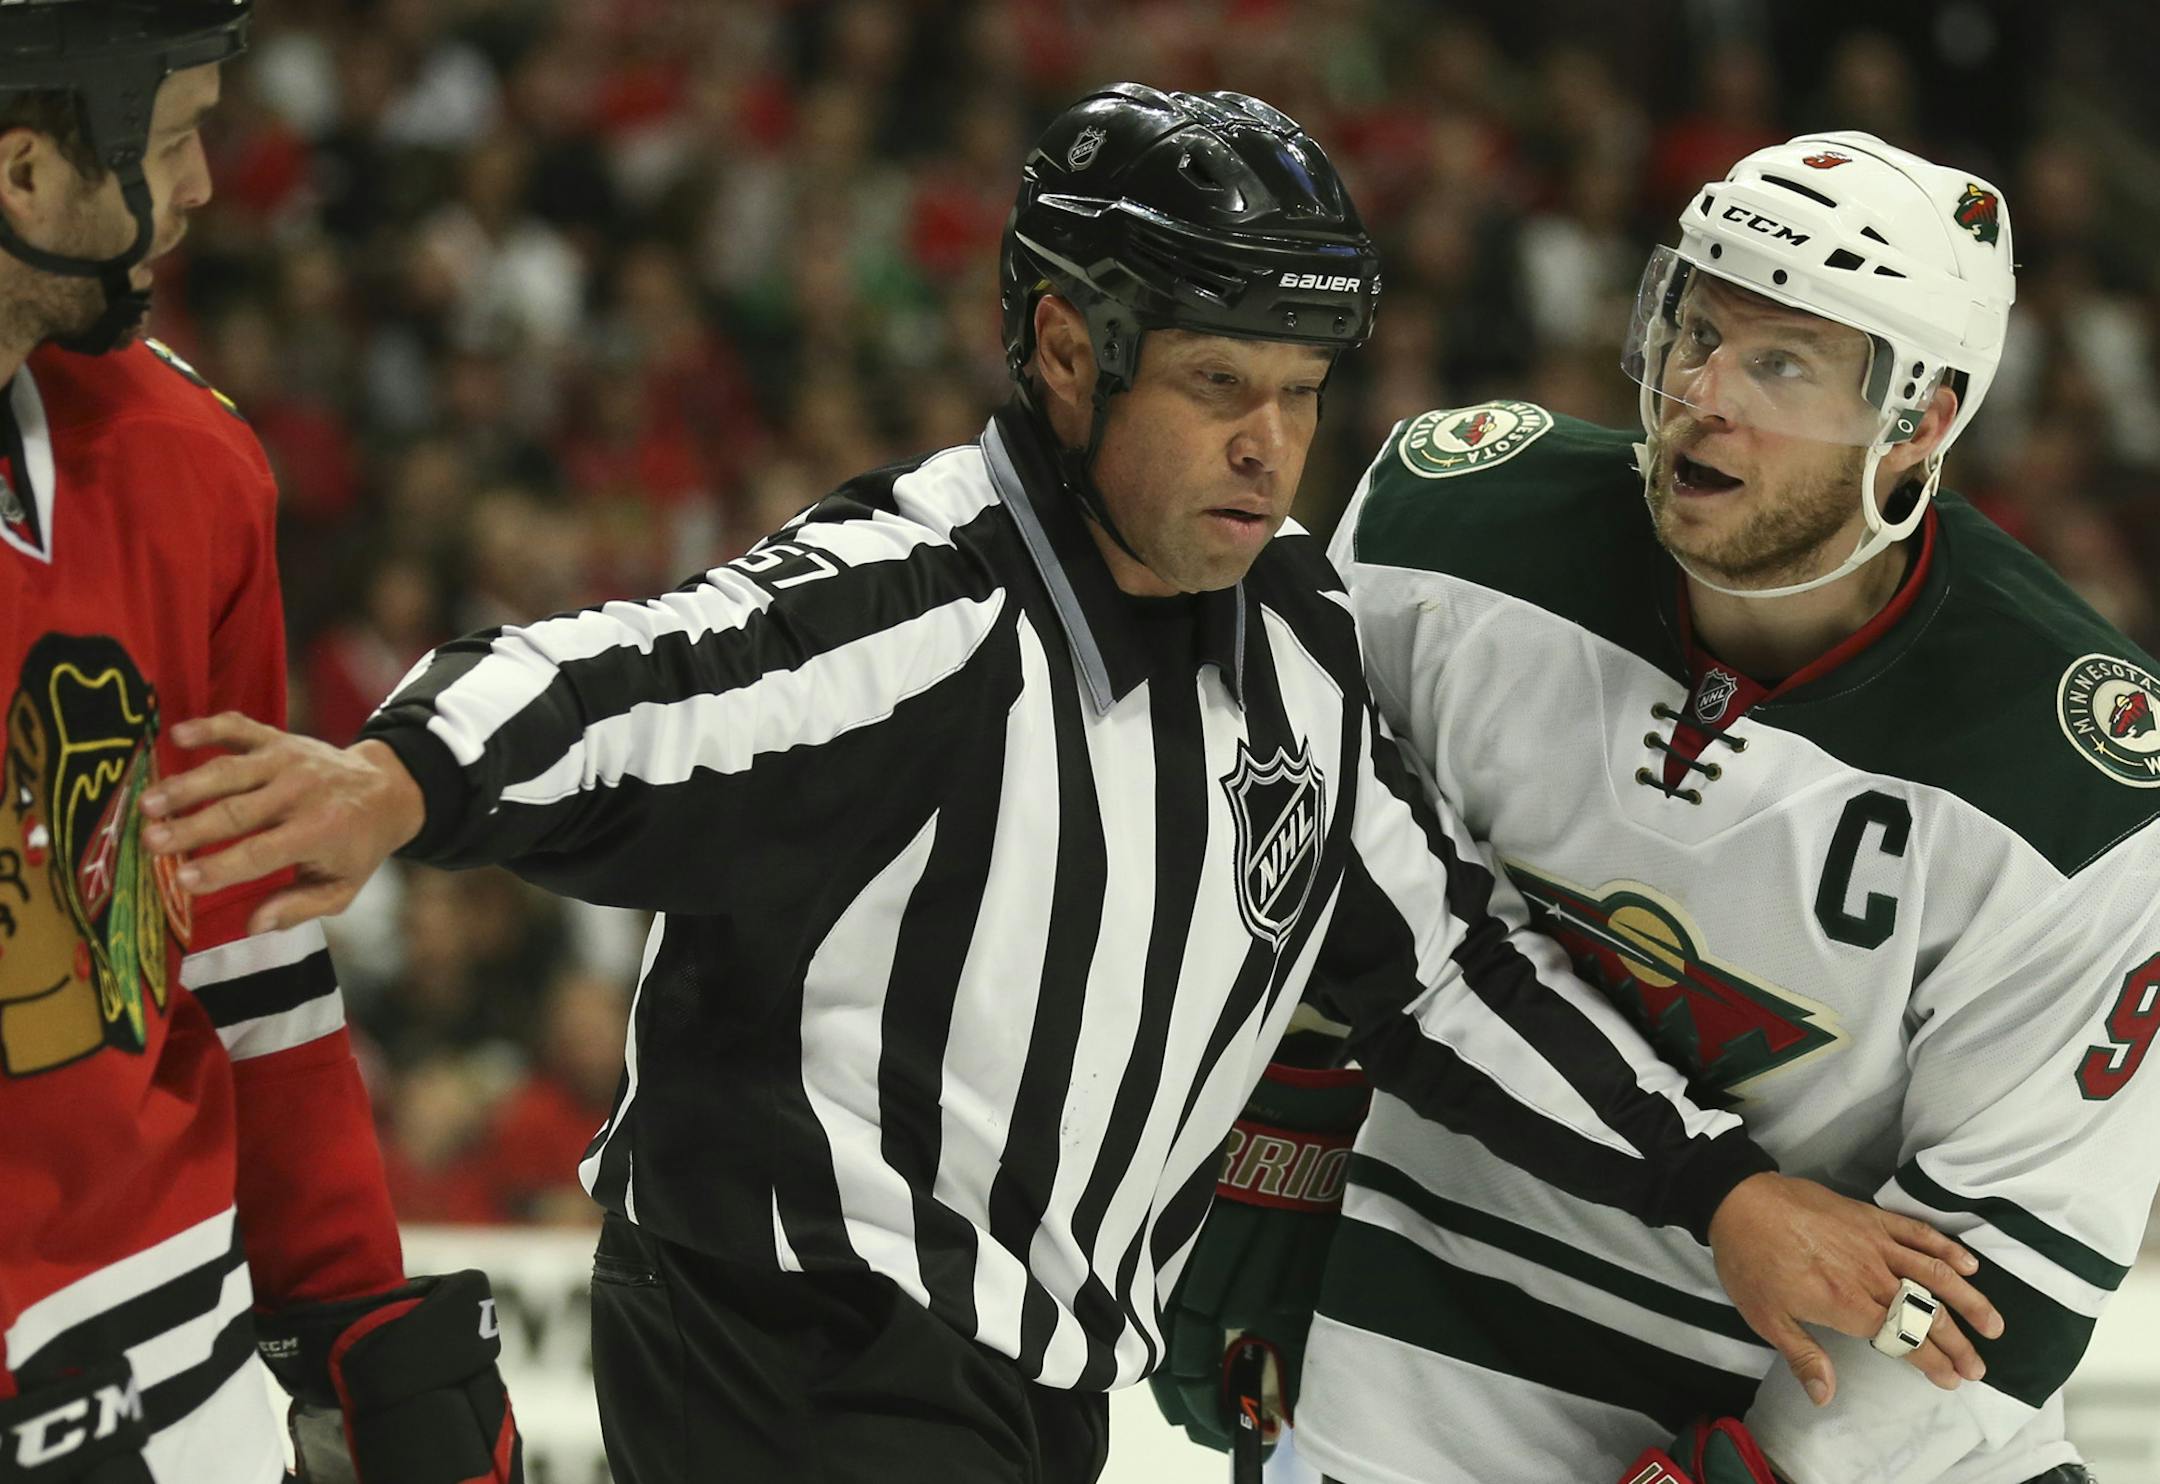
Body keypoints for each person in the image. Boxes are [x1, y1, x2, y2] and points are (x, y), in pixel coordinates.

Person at [141, 91, 1997, 1484]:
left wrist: (1721, 1191)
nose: (1271, 448)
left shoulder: (1291, 653)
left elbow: (1454, 971)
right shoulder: (936, 592)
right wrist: (405, 775)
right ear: (1061, 350)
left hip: (1029, 1387)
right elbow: (655, 677)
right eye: (1214, 386)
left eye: (1298, 389)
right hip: (796, 1341)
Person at [1277, 133, 2150, 1483]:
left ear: (1919, 419)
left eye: (1781, 364)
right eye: (1693, 328)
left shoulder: (2078, 784)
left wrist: (1741, 1476)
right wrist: (1252, 1180)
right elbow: (1311, 920)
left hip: (1820, 1420)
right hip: (1420, 1375)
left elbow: (2002, 1288)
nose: (1699, 394)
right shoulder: (1444, 538)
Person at [0, 5, 519, 1481]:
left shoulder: (189, 467)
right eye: (168, 142)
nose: (207, 185)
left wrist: (347, 1297)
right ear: (24, 173)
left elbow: (241, 934)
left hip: (167, 1336)